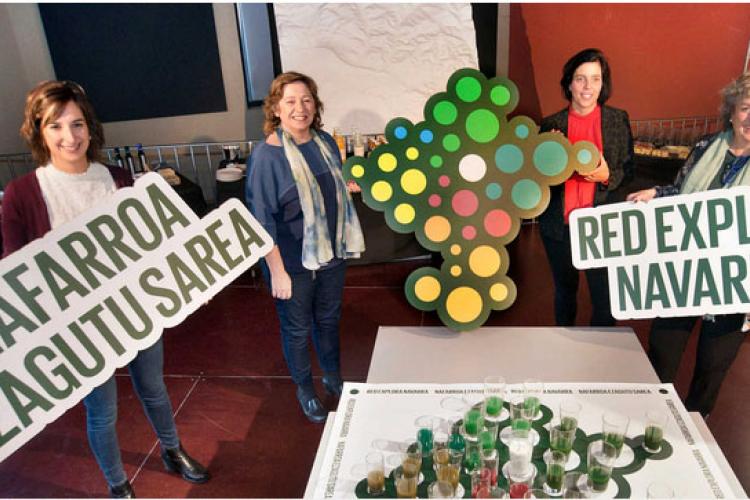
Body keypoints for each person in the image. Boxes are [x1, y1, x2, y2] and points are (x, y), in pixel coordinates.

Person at [1, 80, 209, 498]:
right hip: (80, 325)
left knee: (154, 388)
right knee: (102, 410)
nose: (69, 137)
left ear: (90, 127)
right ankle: (117, 484)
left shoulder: (118, 178)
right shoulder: (22, 194)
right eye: (56, 126)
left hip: (135, 308)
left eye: (77, 124)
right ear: (39, 131)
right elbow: (15, 270)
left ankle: (172, 450)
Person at [627, 72, 750, 417]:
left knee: (713, 365)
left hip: (732, 285)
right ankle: (648, 416)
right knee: (662, 352)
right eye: (746, 108)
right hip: (684, 273)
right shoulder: (705, 147)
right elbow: (681, 194)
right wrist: (655, 193)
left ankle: (696, 426)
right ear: (732, 111)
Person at [245, 72, 365, 423]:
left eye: (307, 99)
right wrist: (277, 272)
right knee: (297, 329)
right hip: (290, 262)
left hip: (331, 254)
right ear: (276, 109)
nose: (301, 108)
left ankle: (333, 377)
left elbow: (332, 187)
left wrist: (348, 186)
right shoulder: (266, 158)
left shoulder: (325, 141)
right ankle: (305, 390)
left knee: (328, 320)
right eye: (291, 101)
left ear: (316, 105)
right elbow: (261, 220)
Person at [539, 48, 634, 327]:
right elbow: (540, 179)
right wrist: (548, 157)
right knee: (565, 292)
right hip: (560, 227)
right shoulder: (551, 125)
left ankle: (600, 357)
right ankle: (564, 348)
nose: (588, 87)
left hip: (600, 227)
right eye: (581, 79)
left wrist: (607, 175)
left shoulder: (617, 120)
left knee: (604, 299)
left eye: (595, 79)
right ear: (569, 83)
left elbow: (629, 172)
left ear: (603, 83)